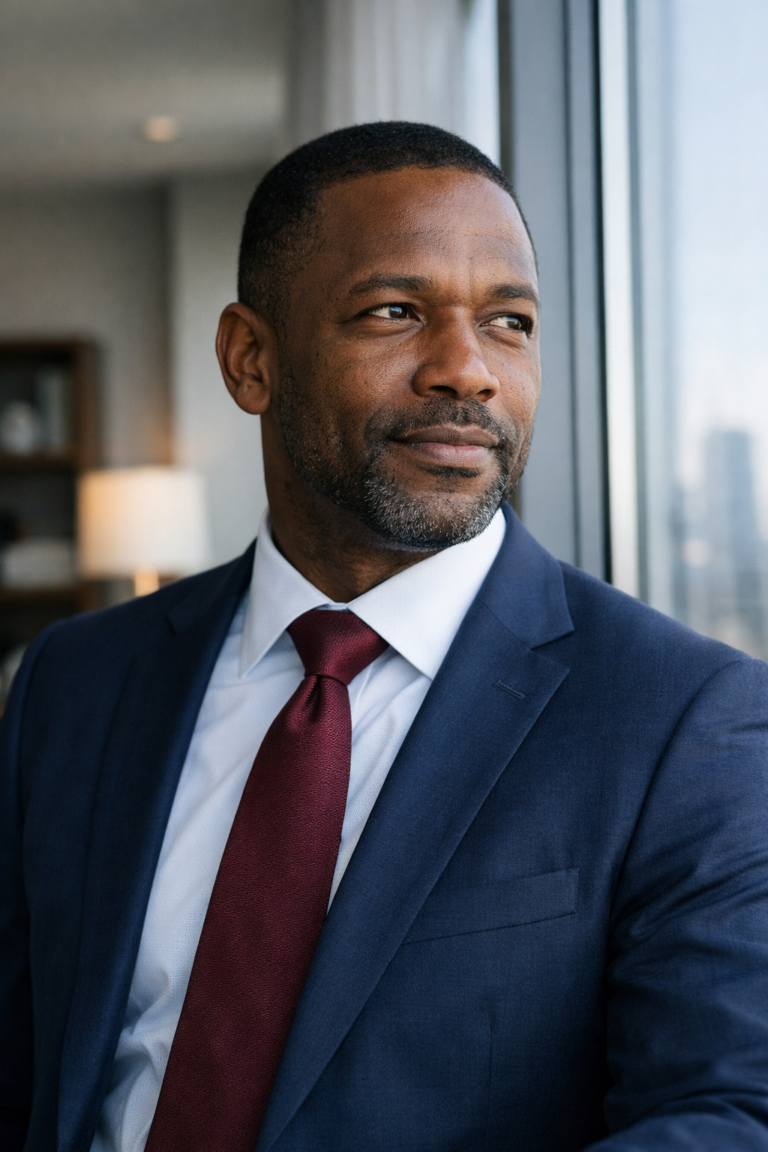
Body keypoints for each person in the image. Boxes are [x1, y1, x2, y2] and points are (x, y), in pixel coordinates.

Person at [3, 121, 768, 1152]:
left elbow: (725, 1115)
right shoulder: (77, 681)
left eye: (509, 323)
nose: (468, 370)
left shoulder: (686, 718)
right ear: (250, 359)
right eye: (396, 312)